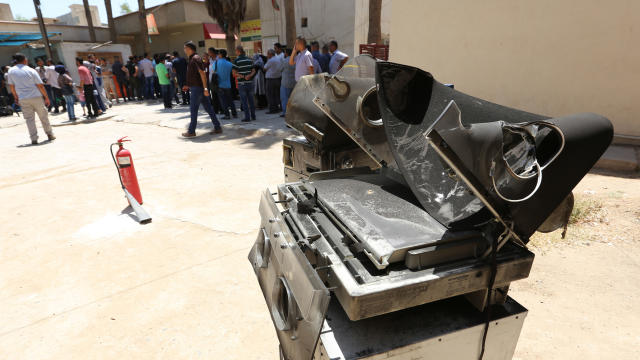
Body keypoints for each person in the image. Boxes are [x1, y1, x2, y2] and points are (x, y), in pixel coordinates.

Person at [7, 53, 55, 144]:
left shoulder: (11, 71)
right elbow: (40, 85)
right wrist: (46, 97)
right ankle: (49, 134)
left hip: (23, 98)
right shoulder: (31, 70)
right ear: (24, 60)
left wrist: (16, 97)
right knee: (43, 116)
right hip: (36, 96)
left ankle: (34, 139)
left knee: (29, 119)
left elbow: (11, 86)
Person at [181, 41, 222, 137]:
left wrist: (205, 88)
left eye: (185, 48)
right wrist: (188, 85)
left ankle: (191, 131)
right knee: (209, 108)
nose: (184, 50)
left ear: (190, 49)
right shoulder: (193, 59)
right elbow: (195, 75)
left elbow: (202, 74)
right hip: (197, 88)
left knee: (193, 109)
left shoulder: (195, 58)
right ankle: (217, 127)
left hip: (198, 89)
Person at [233, 45, 256, 122]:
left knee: (244, 101)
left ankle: (247, 117)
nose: (235, 52)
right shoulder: (249, 59)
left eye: (236, 51)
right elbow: (254, 71)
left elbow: (234, 73)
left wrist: (242, 76)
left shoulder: (236, 61)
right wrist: (249, 75)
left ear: (238, 51)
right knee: (251, 100)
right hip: (250, 82)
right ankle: (253, 116)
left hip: (241, 83)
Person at [214, 49, 237, 119]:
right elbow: (234, 71)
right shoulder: (229, 63)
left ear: (220, 55)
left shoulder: (216, 63)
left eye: (218, 54)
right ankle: (234, 114)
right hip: (228, 84)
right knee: (230, 100)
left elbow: (212, 71)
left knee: (223, 101)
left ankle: (227, 115)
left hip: (219, 84)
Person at [264, 49, 283, 114]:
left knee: (270, 95)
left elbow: (264, 68)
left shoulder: (270, 60)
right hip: (278, 78)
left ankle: (272, 109)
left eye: (268, 54)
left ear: (270, 54)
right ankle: (278, 108)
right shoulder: (278, 59)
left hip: (270, 80)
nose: (267, 55)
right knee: (277, 95)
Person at [280, 48, 296, 118]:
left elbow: (279, 69)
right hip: (294, 82)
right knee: (293, 99)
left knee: (285, 99)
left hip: (285, 83)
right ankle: (293, 112)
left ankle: (285, 113)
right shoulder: (295, 60)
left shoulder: (284, 61)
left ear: (286, 53)